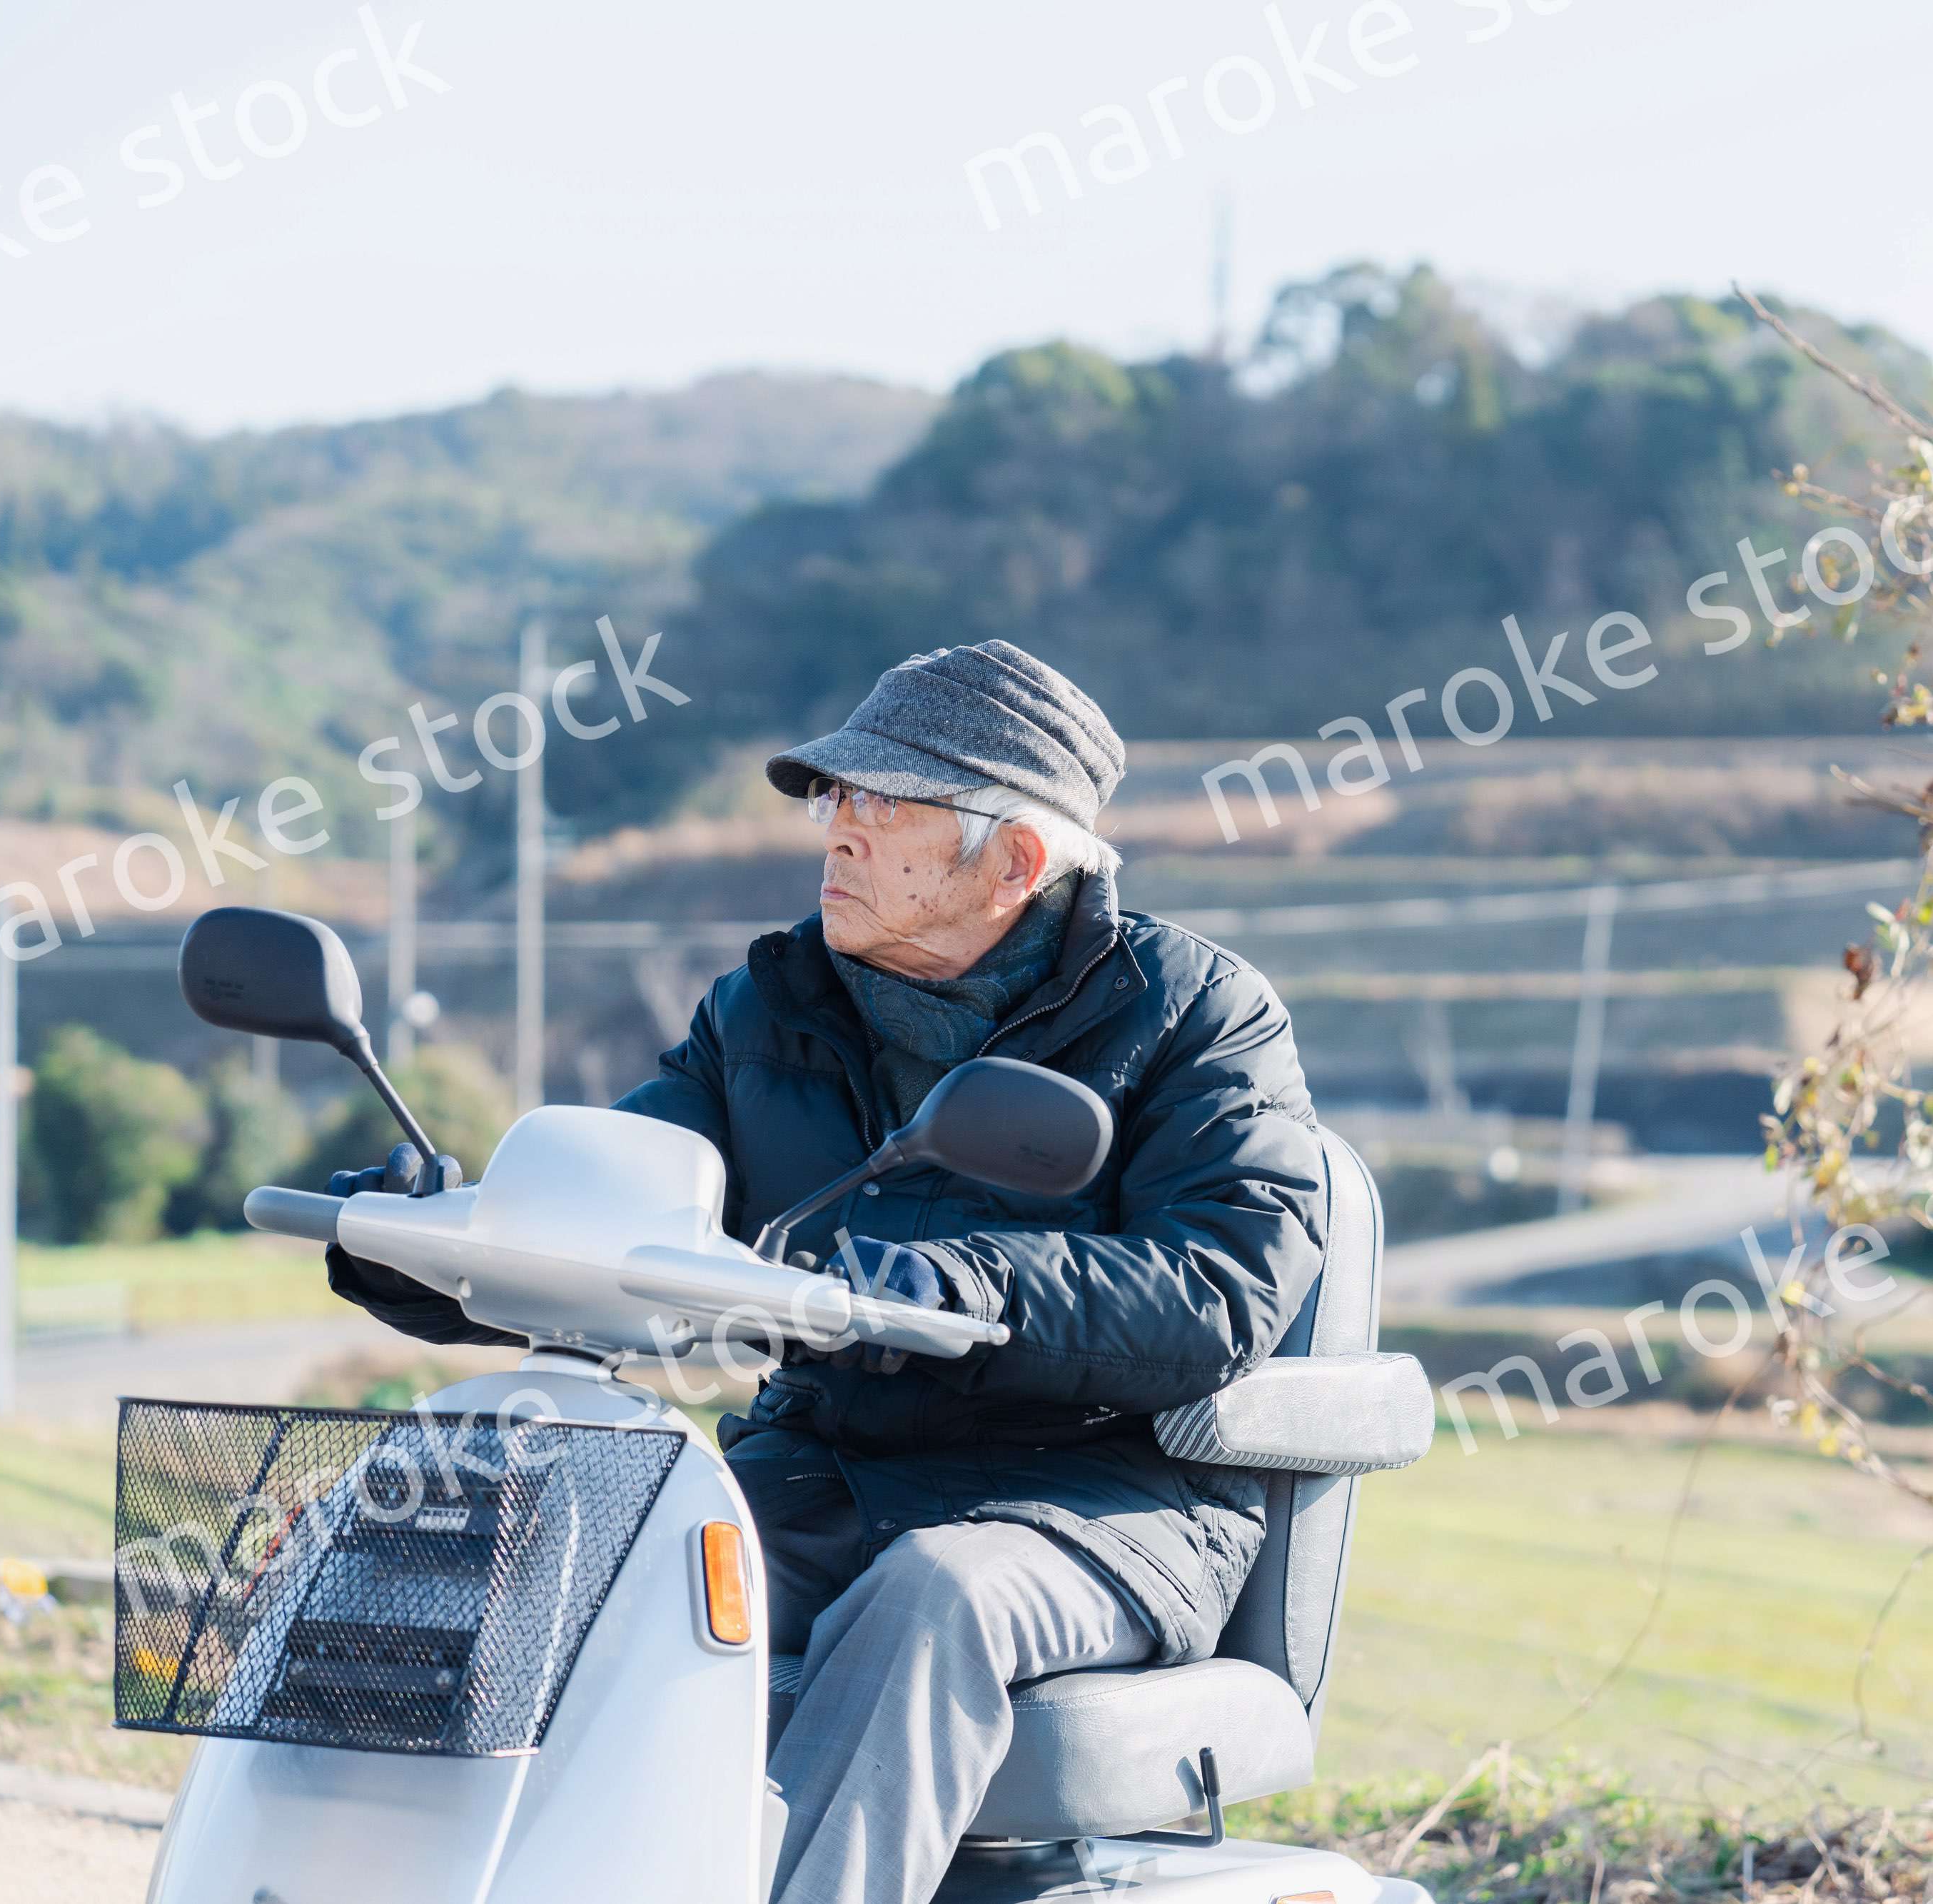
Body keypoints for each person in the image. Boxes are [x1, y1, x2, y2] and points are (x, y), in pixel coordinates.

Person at [321, 640, 1328, 1903]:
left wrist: (969, 1286)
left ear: (1016, 859)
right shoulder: (768, 1005)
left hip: (1096, 1498)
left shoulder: (1197, 1015)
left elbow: (1221, 1291)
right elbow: (622, 1197)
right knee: (544, 1558)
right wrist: (444, 1247)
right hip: (818, 1467)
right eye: (832, 799)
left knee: (930, 1597)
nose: (835, 836)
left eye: (882, 805)